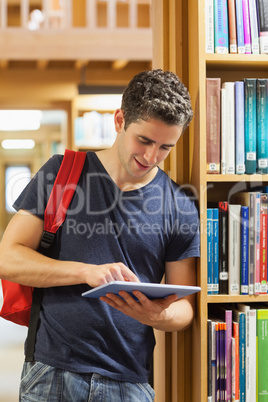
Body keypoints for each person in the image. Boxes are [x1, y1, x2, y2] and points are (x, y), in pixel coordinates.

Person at [0, 69, 200, 402]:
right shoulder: (61, 173)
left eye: (166, 147)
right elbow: (8, 258)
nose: (151, 158)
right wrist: (86, 272)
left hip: (131, 381)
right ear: (120, 120)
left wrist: (160, 315)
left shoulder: (178, 204)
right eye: (145, 140)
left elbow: (186, 308)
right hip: (52, 373)